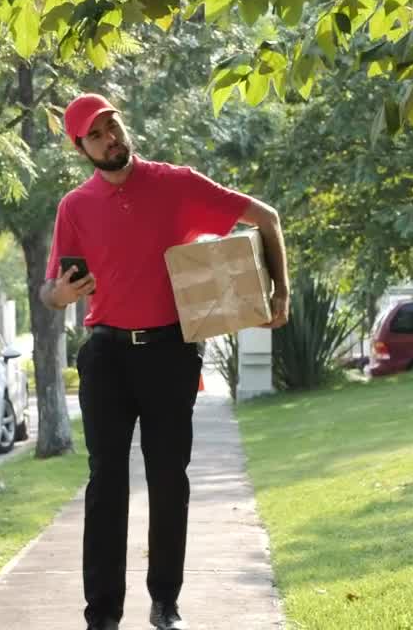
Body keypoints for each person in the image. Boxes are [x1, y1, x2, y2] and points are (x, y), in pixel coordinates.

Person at [39, 93, 290, 630]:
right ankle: (102, 615)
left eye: (113, 125)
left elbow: (265, 218)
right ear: (81, 148)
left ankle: (164, 604)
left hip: (171, 352)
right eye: (97, 134)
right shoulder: (74, 207)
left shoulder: (176, 183)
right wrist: (60, 293)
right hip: (105, 354)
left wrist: (280, 293)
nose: (111, 137)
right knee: (105, 482)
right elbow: (51, 293)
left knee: (168, 480)